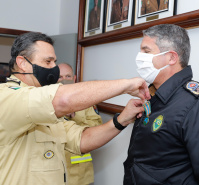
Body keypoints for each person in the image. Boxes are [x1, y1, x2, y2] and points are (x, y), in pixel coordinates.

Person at [0, 32, 150, 185]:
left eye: (54, 61)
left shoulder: (43, 105)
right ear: (22, 63)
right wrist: (126, 85)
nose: (54, 68)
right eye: (48, 61)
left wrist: (121, 120)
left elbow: (82, 140)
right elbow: (63, 100)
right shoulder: (7, 96)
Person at [123, 24, 199, 184]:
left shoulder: (198, 105)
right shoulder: (152, 96)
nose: (140, 57)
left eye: (146, 51)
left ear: (171, 57)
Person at [58, 63, 103, 185]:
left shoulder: (86, 101)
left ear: (74, 78)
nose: (64, 80)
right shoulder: (46, 100)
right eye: (60, 77)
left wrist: (75, 116)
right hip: (55, 173)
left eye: (68, 76)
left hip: (81, 175)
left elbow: (97, 129)